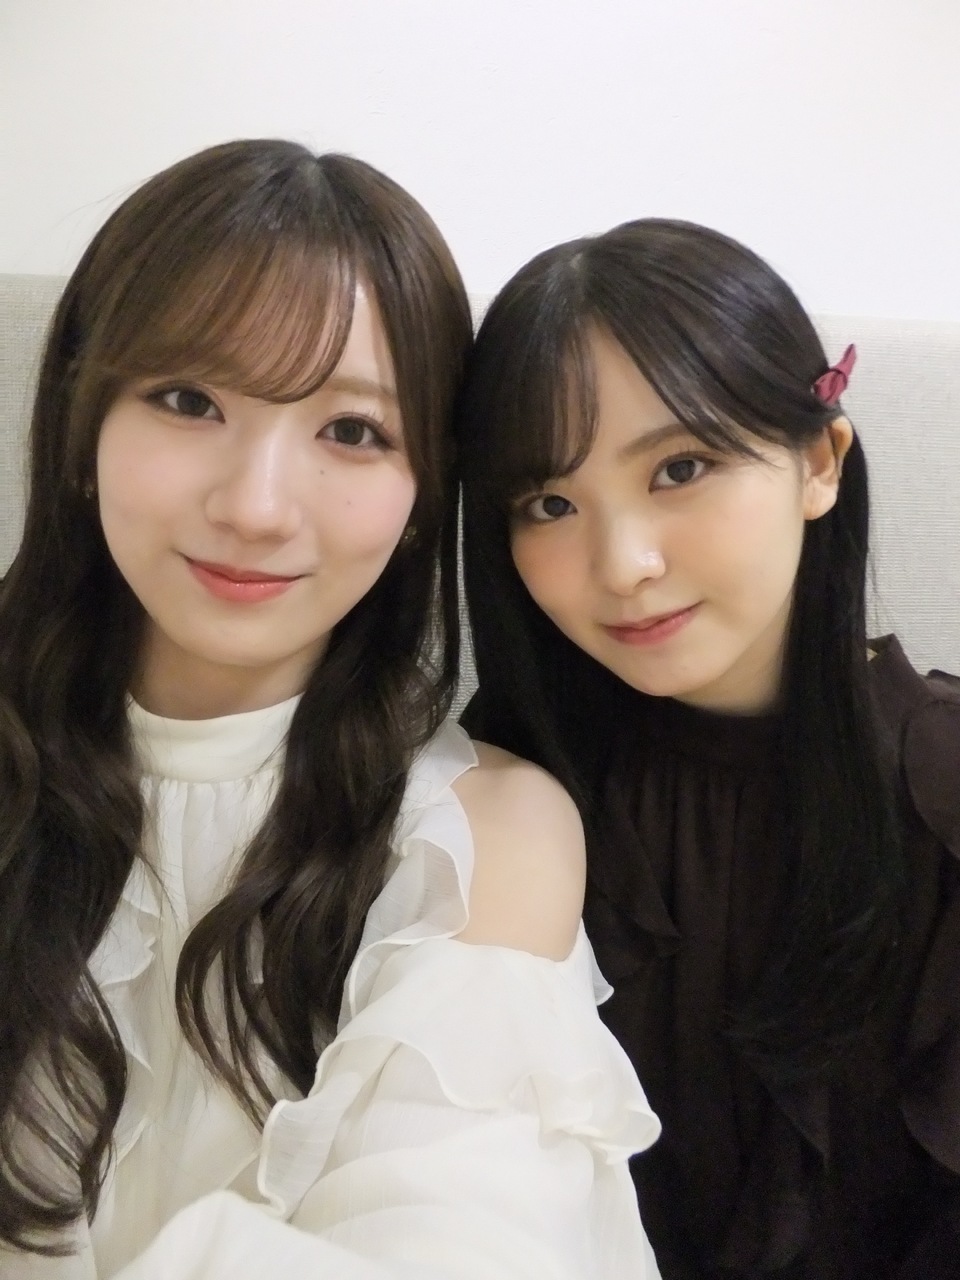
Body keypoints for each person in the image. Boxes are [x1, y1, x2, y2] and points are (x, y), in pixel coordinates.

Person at [0, 141, 662, 1279]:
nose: (256, 506)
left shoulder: (477, 838)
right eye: (189, 399)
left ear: (423, 498)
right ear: (80, 425)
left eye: (352, 431)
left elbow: (459, 1236)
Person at [457, 218, 960, 1278]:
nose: (623, 564)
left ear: (818, 461)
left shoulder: (943, 795)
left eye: (680, 467)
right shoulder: (502, 801)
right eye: (551, 502)